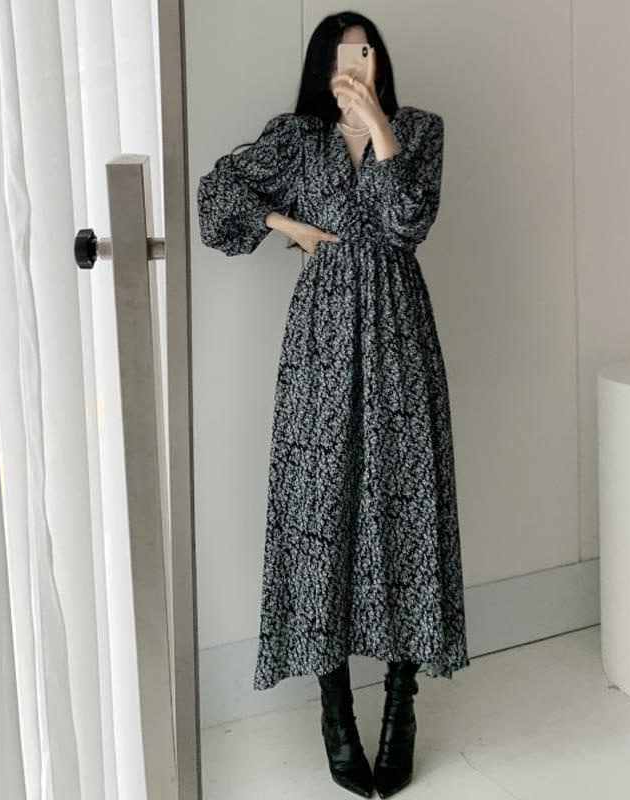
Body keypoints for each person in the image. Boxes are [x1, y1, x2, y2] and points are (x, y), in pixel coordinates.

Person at [197, 11, 469, 798]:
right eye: (346, 52)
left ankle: (402, 702)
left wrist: (378, 123)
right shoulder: (296, 139)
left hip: (399, 334)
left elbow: (408, 221)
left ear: (380, 60)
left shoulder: (418, 130)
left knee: (403, 505)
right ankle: (333, 706)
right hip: (319, 340)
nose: (359, 60)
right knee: (320, 511)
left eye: (368, 49)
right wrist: (286, 223)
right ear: (324, 64)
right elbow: (215, 201)